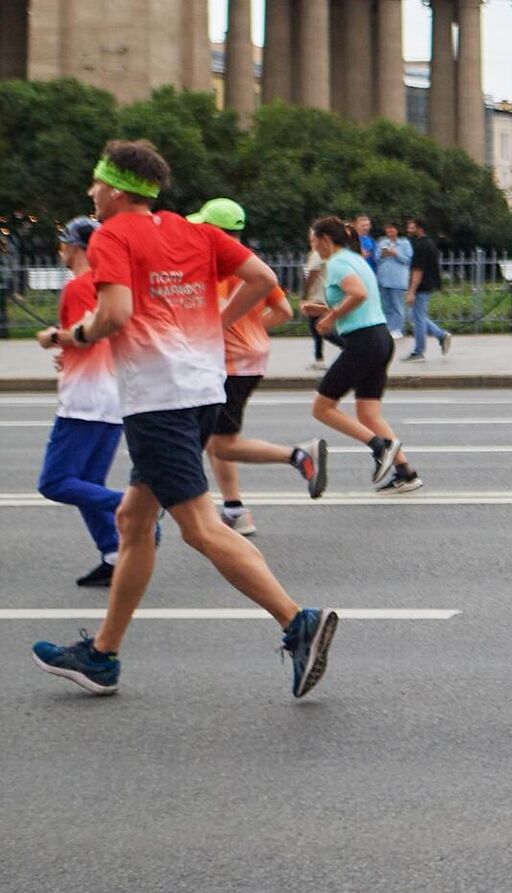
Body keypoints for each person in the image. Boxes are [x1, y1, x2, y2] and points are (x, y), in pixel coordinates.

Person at [29, 139, 337, 699]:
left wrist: (73, 336)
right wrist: (215, 323)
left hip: (158, 399)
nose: (91, 194)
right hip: (202, 390)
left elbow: (115, 313)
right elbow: (265, 279)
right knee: (132, 521)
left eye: (95, 185)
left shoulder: (113, 235)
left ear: (117, 188)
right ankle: (103, 655)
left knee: (198, 526)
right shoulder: (193, 231)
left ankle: (298, 622)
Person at [186, 197, 328, 536]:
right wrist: (250, 330)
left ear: (212, 230)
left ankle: (299, 456)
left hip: (228, 363)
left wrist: (229, 331)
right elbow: (283, 312)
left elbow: (209, 313)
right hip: (252, 358)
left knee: (219, 443)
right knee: (216, 437)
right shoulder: (252, 263)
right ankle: (234, 509)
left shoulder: (217, 267)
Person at [34, 216, 124, 588]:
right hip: (115, 397)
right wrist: (68, 349)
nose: (61, 250)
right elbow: (101, 334)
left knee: (55, 482)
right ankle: (114, 554)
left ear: (76, 247)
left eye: (64, 243)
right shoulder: (112, 284)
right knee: (88, 482)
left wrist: (53, 338)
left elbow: (81, 337)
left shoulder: (77, 286)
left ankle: (135, 507)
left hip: (85, 398)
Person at [303, 215, 422, 494]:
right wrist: (321, 310)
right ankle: (405, 472)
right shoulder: (355, 259)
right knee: (369, 413)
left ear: (325, 240)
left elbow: (357, 294)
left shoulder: (337, 262)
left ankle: (379, 447)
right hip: (379, 338)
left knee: (322, 408)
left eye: (313, 242)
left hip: (363, 342)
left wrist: (330, 316)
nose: (313, 248)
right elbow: (358, 300)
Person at [402, 217, 452, 360]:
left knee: (418, 319)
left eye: (412, 227)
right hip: (428, 285)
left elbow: (418, 270)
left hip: (421, 287)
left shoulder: (420, 246)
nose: (409, 230)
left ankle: (419, 351)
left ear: (420, 228)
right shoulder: (430, 243)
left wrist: (411, 291)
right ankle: (441, 335)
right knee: (416, 316)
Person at [372, 221, 412, 336]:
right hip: (384, 279)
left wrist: (395, 254)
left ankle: (398, 329)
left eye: (392, 229)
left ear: (397, 230)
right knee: (386, 306)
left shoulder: (404, 243)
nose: (390, 231)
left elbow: (408, 260)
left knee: (398, 306)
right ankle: (389, 328)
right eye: (388, 229)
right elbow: (376, 259)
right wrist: (382, 255)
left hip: (397, 280)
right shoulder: (382, 242)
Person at [303, 246, 330, 371]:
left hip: (317, 296)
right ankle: (319, 358)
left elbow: (313, 274)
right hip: (324, 295)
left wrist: (305, 294)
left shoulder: (317, 254)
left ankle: (319, 359)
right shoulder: (329, 252)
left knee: (318, 329)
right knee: (319, 328)